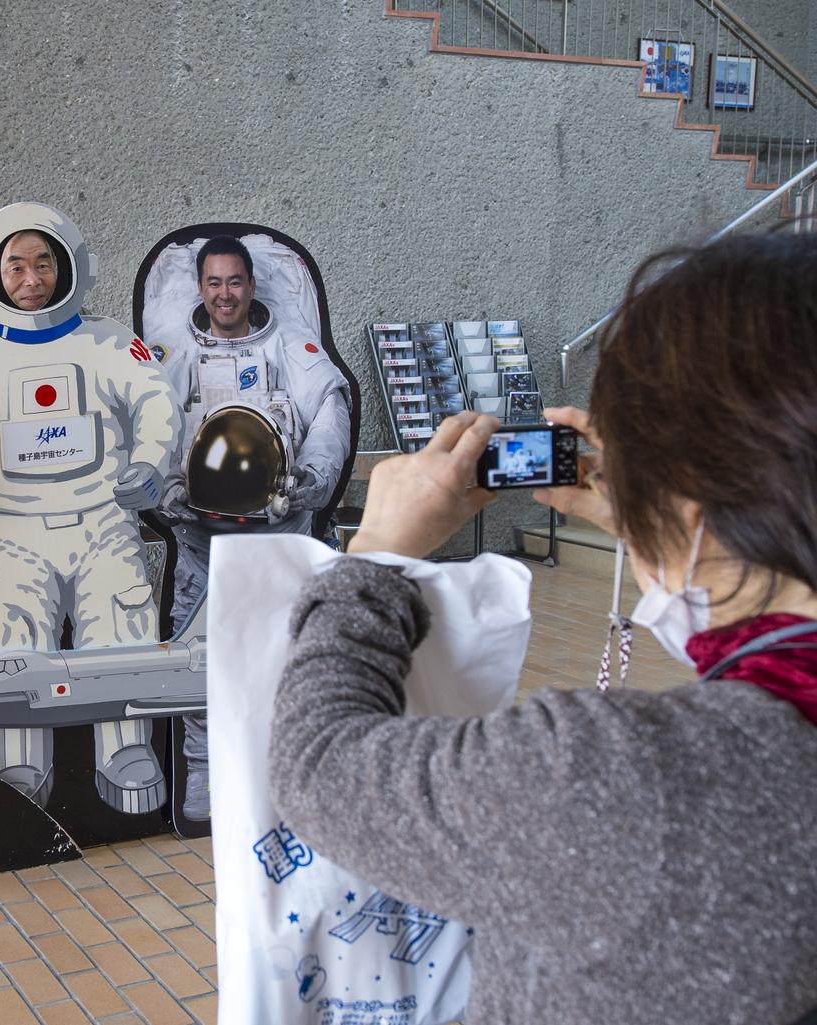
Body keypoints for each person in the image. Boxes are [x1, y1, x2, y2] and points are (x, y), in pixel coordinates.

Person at [267, 230, 817, 1023]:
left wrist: (377, 557)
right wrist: (662, 528)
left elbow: (319, 766)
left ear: (695, 496)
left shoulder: (619, 779)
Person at [0, 202, 183, 814]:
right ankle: (17, 769)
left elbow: (157, 405)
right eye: (15, 266)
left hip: (104, 522)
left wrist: (149, 464)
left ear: (69, 268)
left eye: (44, 263)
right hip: (12, 531)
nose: (32, 279)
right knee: (8, 640)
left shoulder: (111, 342)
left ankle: (125, 753)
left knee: (122, 629)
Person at [158, 235, 352, 820]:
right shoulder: (173, 354)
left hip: (279, 532)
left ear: (251, 284)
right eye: (214, 283)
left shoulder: (291, 347)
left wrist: (312, 479)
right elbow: (150, 424)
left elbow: (328, 412)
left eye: (234, 281)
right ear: (199, 288)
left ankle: (287, 776)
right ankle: (204, 778)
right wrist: (167, 489)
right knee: (202, 664)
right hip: (202, 543)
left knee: (287, 661)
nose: (225, 294)